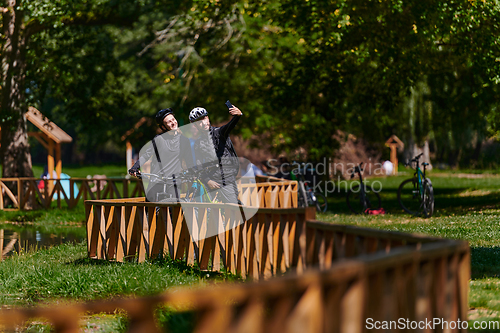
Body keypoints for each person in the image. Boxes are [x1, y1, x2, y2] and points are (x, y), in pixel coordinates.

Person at [128, 108, 192, 202]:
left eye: (173, 119)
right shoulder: (159, 139)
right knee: (150, 208)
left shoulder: (184, 140)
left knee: (174, 210)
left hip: (174, 182)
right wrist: (135, 167)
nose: (173, 123)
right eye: (169, 122)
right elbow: (146, 155)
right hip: (156, 180)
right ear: (163, 126)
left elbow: (188, 160)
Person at [189, 104, 242, 204]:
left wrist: (238, 116)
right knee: (203, 203)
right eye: (198, 122)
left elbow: (229, 126)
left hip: (227, 178)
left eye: (204, 118)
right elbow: (199, 166)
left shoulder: (220, 132)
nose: (203, 123)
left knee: (234, 209)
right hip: (212, 178)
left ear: (208, 118)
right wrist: (208, 180)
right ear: (195, 125)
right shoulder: (198, 144)